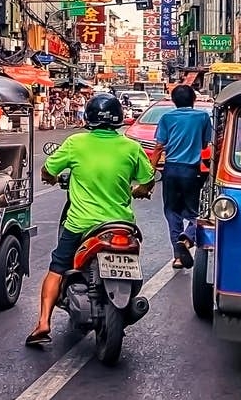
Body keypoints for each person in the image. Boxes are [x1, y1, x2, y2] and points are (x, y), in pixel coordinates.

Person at [26, 94, 155, 347]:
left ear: (88, 118)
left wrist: (51, 178)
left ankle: (43, 322)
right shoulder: (131, 147)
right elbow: (148, 179)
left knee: (57, 267)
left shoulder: (76, 143)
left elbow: (48, 170)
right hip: (122, 225)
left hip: (81, 224)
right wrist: (139, 190)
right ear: (118, 119)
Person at [151, 84, 214, 269]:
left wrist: (150, 173)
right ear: (194, 100)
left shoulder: (166, 118)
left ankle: (177, 257)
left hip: (171, 170)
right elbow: (205, 144)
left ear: (173, 101)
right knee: (197, 213)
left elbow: (158, 147)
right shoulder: (202, 117)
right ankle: (187, 239)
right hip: (192, 171)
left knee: (172, 212)